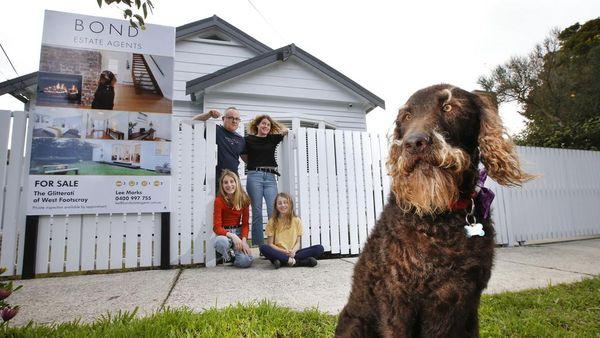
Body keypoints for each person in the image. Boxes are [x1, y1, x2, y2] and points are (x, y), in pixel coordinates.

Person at [242, 115, 288, 247]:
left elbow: (285, 130)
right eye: (263, 123)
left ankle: (273, 244)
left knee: (272, 210)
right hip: (254, 176)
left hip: (270, 177)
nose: (266, 126)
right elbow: (243, 156)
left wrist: (275, 125)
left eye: (268, 125)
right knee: (256, 211)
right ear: (257, 125)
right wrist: (255, 164)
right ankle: (260, 246)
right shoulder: (248, 139)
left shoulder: (272, 138)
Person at [259, 193, 324, 268]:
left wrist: (293, 251)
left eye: (285, 202)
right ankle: (296, 262)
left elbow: (298, 242)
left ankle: (282, 261)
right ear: (276, 206)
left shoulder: (297, 220)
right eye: (279, 203)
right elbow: (270, 244)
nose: (283, 205)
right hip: (278, 252)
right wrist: (283, 251)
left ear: (290, 205)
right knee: (263, 248)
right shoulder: (272, 221)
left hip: (294, 252)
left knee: (319, 248)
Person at [213, 169, 253, 268]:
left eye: (232, 181)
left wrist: (243, 241)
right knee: (220, 242)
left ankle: (232, 257)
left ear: (236, 183)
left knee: (246, 261)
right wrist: (232, 236)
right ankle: (228, 254)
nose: (229, 185)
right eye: (225, 182)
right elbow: (216, 227)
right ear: (222, 185)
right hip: (225, 233)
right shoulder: (219, 201)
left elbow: (245, 224)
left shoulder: (244, 199)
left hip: (238, 233)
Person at [192, 107, 245, 182]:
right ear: (223, 119)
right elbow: (193, 123)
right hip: (215, 179)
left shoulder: (241, 139)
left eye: (237, 119)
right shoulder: (215, 130)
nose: (234, 121)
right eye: (231, 118)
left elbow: (245, 158)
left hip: (233, 180)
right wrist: (209, 114)